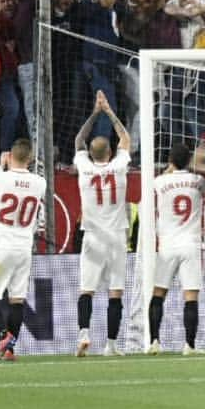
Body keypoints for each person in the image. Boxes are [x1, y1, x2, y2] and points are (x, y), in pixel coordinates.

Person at [74, 90, 132, 357]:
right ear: (110, 151)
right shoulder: (119, 166)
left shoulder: (84, 168)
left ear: (91, 153)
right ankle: (111, 344)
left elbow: (78, 141)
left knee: (87, 289)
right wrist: (108, 111)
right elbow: (126, 139)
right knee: (115, 292)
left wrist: (95, 113)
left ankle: (84, 333)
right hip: (117, 237)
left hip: (93, 236)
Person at [0, 138, 45, 361]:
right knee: (17, 299)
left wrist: (1, 166)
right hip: (24, 249)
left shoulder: (1, 178)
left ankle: (1, 334)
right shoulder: (39, 182)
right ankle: (10, 350)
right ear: (31, 158)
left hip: (1, 247)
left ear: (10, 156)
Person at [147, 142, 205, 355]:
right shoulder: (198, 181)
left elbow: (162, 180)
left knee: (158, 292)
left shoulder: (159, 181)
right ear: (189, 161)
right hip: (190, 244)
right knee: (190, 295)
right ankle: (189, 345)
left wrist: (169, 170)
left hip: (167, 245)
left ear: (170, 161)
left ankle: (154, 341)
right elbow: (202, 191)